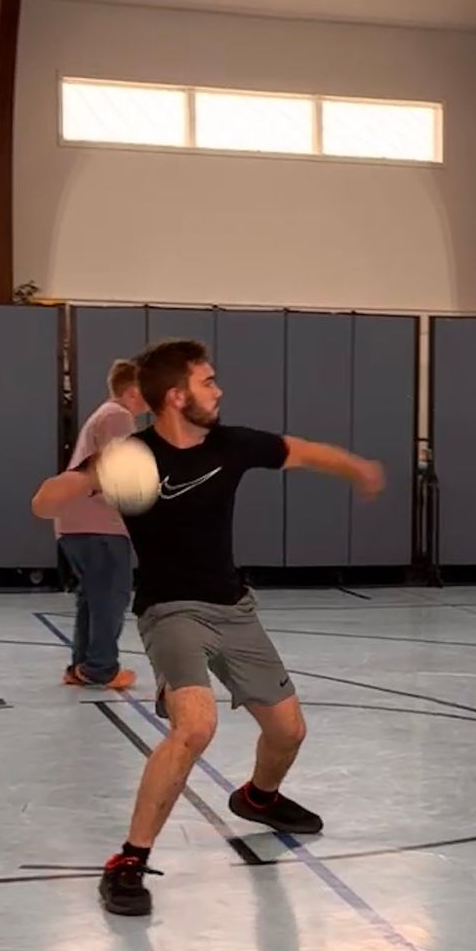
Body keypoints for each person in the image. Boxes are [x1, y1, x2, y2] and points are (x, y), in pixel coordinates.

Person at [31, 336, 383, 920]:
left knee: (289, 732)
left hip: (233, 607)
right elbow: (46, 501)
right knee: (195, 727)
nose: (218, 391)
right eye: (208, 381)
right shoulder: (134, 454)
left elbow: (302, 451)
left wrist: (357, 468)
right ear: (177, 395)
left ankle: (258, 799)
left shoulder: (232, 445)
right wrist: (86, 480)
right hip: (170, 609)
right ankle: (128, 861)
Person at [55, 358, 144, 691]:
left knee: (93, 597)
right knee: (110, 597)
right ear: (134, 391)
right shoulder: (118, 417)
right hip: (99, 525)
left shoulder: (103, 415)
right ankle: (101, 668)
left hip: (75, 523)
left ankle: (82, 665)